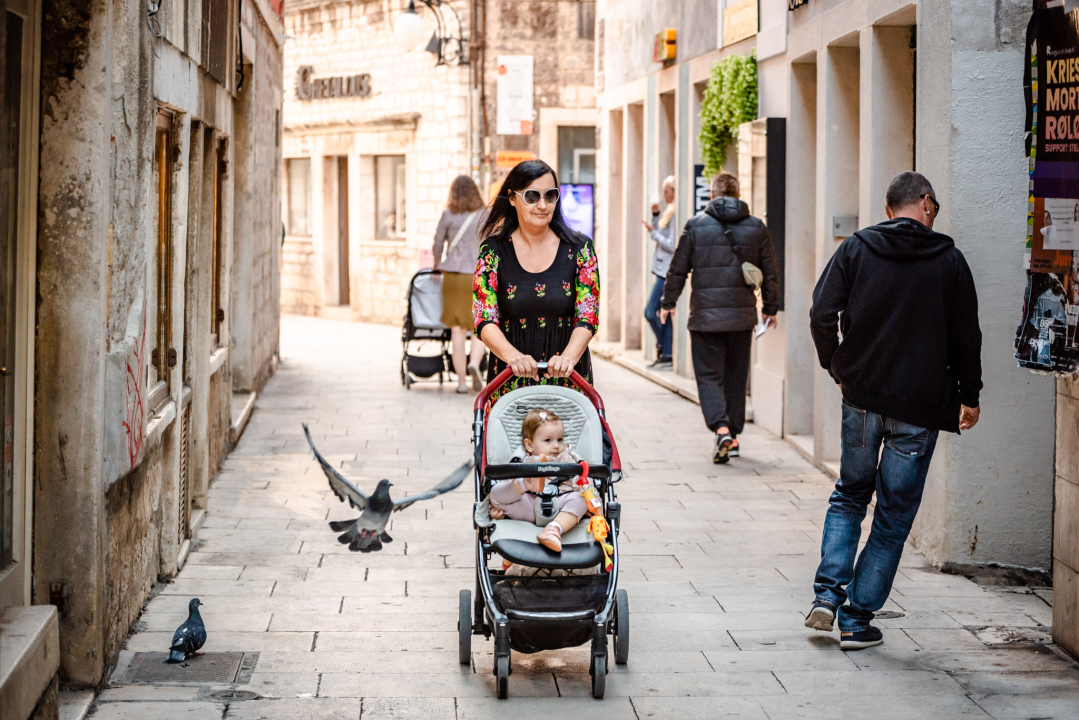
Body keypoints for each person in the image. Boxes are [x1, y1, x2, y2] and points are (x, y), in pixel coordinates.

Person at [805, 171, 982, 651]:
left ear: (889, 209)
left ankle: (826, 597)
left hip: (862, 398)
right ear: (925, 203)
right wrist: (970, 395)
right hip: (920, 409)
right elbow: (968, 337)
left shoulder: (857, 249)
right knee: (893, 515)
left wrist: (838, 366)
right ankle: (857, 620)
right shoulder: (949, 260)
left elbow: (821, 313)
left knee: (848, 496)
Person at [659, 172, 778, 464]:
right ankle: (733, 437)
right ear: (738, 194)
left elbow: (678, 268)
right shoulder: (756, 227)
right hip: (741, 319)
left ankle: (721, 428)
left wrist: (668, 302)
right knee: (737, 376)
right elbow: (771, 270)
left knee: (709, 376)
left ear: (712, 195)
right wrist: (770, 308)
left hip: (705, 318)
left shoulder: (696, 226)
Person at [473, 159, 600, 397]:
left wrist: (569, 359)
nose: (542, 205)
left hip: (567, 380)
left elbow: (588, 314)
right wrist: (514, 357)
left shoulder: (581, 248)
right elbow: (483, 317)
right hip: (510, 379)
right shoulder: (492, 251)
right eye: (531, 196)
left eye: (550, 196)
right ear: (512, 198)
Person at [488, 409, 587, 552]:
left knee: (580, 499)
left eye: (560, 439)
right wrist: (497, 511)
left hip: (560, 505)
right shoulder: (522, 460)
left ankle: (553, 530)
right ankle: (526, 483)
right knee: (496, 494)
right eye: (548, 440)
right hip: (529, 504)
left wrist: (594, 503)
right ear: (529, 445)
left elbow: (583, 482)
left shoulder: (567, 458)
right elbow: (505, 485)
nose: (556, 445)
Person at [433, 175, 488, 393]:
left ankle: (462, 383)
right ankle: (475, 362)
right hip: (477, 276)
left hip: (454, 277)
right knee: (481, 328)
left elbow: (437, 244)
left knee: (457, 332)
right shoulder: (485, 215)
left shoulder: (448, 215)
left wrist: (437, 265)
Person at [641, 176, 677, 368]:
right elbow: (662, 233)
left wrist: (652, 233)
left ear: (674, 192)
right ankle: (667, 353)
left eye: (667, 191)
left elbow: (672, 244)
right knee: (664, 313)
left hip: (667, 272)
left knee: (650, 312)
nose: (664, 195)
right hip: (662, 270)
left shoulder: (676, 214)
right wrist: (655, 215)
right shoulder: (669, 212)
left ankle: (663, 346)